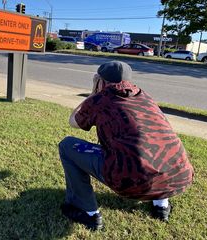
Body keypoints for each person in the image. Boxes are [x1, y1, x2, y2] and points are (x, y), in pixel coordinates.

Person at [58, 61, 194, 230]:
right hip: (179, 176)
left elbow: (74, 121)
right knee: (154, 149)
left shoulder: (101, 99)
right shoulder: (145, 97)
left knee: (67, 145)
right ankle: (161, 206)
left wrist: (93, 92)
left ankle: (88, 212)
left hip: (130, 181)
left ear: (101, 80)